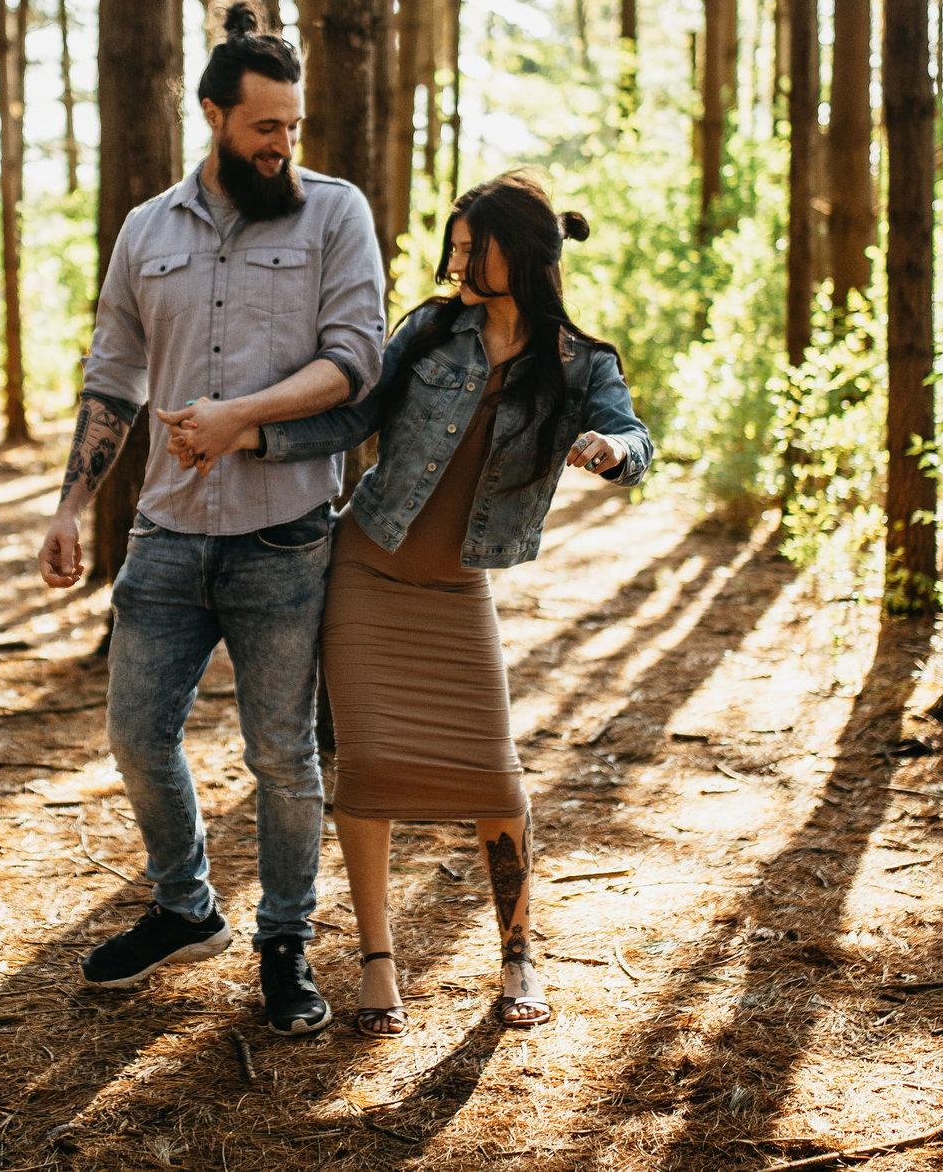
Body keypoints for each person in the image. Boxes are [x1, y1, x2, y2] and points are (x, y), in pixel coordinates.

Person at [158, 171, 654, 1038]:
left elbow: (637, 438)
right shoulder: (429, 331)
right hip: (368, 573)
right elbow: (350, 420)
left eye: (473, 248)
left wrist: (611, 449)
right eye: (454, 246)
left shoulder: (583, 363)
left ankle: (518, 953)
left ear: (523, 256)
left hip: (459, 591)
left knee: (497, 783)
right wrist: (251, 430)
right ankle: (379, 962)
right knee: (371, 774)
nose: (455, 260)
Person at [36, 0, 385, 1036]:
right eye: (263, 127)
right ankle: (185, 906)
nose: (283, 146)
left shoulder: (335, 213)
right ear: (213, 116)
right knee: (136, 731)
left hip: (286, 534)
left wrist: (245, 416)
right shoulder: (148, 229)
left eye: (293, 126)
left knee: (281, 753)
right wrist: (68, 506)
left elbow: (355, 359)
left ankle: (285, 942)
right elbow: (113, 377)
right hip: (164, 530)